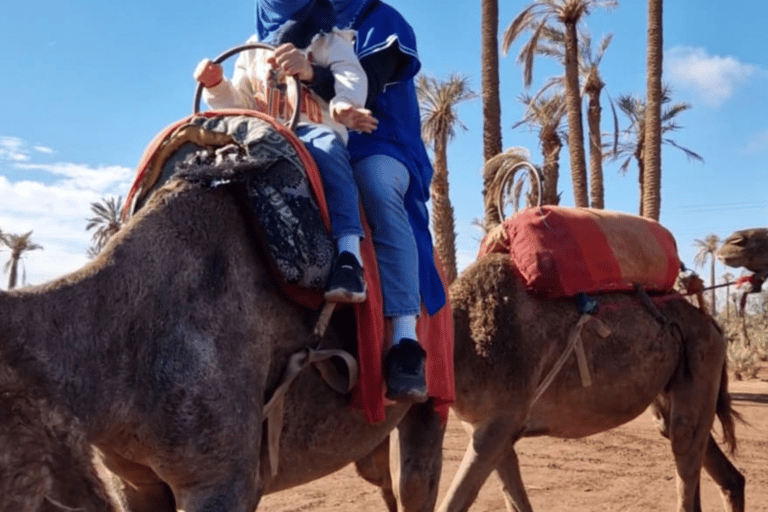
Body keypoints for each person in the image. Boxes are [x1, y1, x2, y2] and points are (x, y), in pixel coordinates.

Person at [308, 0, 448, 402]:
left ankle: (405, 341)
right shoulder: (309, 23)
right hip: (325, 137)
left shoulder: (386, 22)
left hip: (382, 142)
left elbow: (363, 84)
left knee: (375, 184)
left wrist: (308, 73)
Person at [193, 0, 378, 304]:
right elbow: (242, 107)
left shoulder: (330, 40)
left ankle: (349, 257)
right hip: (262, 133)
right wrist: (216, 86)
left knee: (328, 146)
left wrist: (343, 101)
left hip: (309, 130)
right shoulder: (253, 47)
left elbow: (351, 78)